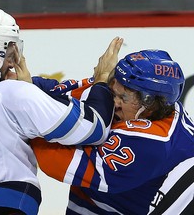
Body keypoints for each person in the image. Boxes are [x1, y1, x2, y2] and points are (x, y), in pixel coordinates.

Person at [0, 3, 121, 215]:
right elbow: (94, 128)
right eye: (8, 54)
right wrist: (101, 80)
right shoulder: (9, 93)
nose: (13, 63)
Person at [30, 48, 194, 214]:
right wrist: (23, 84)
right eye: (113, 92)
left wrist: (24, 117)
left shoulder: (152, 143)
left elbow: (59, 163)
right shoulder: (145, 100)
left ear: (150, 104)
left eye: (123, 98)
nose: (114, 103)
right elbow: (61, 93)